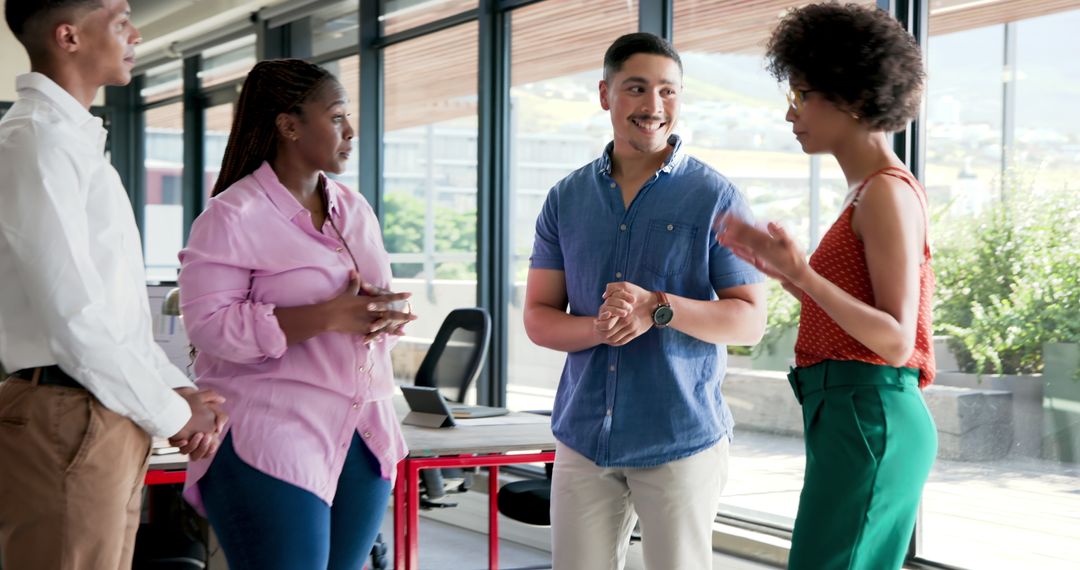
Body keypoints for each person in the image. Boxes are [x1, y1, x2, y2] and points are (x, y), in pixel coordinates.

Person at [524, 32, 767, 570]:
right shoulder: (565, 199)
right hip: (584, 435)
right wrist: (600, 329)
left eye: (668, 91)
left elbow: (750, 321)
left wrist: (658, 307)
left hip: (680, 436)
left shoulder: (716, 197)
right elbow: (540, 318)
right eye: (637, 88)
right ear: (606, 94)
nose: (654, 106)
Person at [0, 1, 226, 568]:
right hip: (68, 416)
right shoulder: (37, 141)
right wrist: (176, 414)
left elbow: (116, 316)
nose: (135, 30)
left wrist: (175, 390)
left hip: (99, 412)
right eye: (119, 18)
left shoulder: (73, 141)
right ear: (68, 36)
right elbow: (75, 322)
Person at [718, 4, 938, 569]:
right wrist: (789, 275)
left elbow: (893, 340)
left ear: (854, 97)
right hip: (850, 415)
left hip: (869, 414)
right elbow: (855, 321)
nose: (791, 114)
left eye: (801, 95)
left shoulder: (887, 192)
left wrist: (801, 273)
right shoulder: (867, 192)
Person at [177, 58, 416, 570]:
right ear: (289, 125)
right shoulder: (230, 216)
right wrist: (327, 316)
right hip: (271, 429)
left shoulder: (355, 209)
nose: (350, 131)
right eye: (336, 117)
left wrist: (380, 318)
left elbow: (367, 312)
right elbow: (210, 327)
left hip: (363, 430)